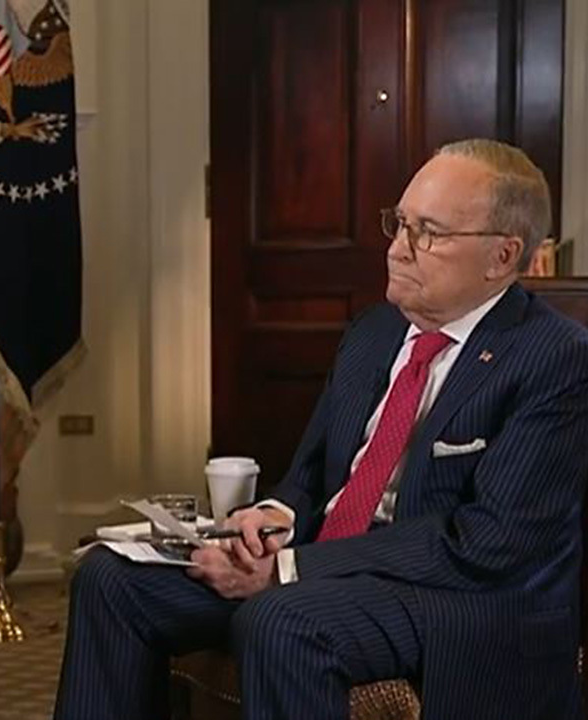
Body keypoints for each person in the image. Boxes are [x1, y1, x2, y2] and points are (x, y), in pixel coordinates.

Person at [54, 138, 588, 720]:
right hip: (327, 561)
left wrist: (289, 571)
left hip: (459, 598)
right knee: (110, 579)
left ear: (502, 257)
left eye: (427, 233)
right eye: (398, 224)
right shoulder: (374, 332)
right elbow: (310, 478)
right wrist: (274, 518)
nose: (397, 250)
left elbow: (488, 542)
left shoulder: (554, 358)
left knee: (279, 620)